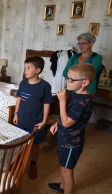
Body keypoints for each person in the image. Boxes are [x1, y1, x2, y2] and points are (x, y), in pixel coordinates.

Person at [48, 64, 96, 194]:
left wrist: (62, 102)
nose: (67, 82)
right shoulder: (76, 94)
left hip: (72, 143)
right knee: (64, 169)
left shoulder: (82, 103)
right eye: (67, 78)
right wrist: (57, 124)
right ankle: (62, 187)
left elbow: (68, 122)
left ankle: (67, 189)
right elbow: (66, 115)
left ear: (85, 82)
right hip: (65, 138)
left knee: (67, 172)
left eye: (71, 80)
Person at [13, 56, 52, 179]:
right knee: (20, 142)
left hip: (36, 123)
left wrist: (44, 122)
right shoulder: (23, 83)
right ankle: (18, 162)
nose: (25, 70)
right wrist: (15, 113)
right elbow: (19, 99)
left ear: (38, 70)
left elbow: (46, 104)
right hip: (21, 119)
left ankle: (33, 164)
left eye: (28, 68)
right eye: (25, 68)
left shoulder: (45, 86)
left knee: (35, 144)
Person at [63, 32, 103, 99]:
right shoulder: (74, 57)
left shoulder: (97, 57)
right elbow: (65, 73)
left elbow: (89, 74)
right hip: (70, 91)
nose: (80, 46)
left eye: (83, 43)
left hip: (87, 92)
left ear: (91, 44)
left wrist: (73, 74)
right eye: (79, 43)